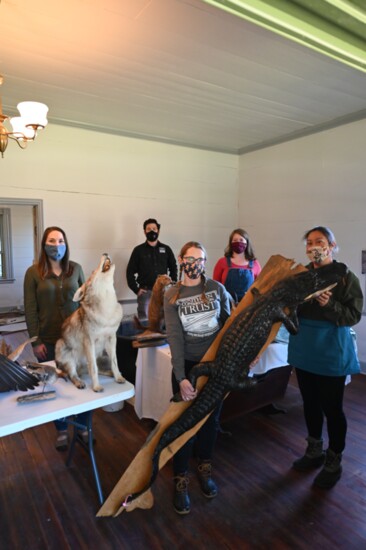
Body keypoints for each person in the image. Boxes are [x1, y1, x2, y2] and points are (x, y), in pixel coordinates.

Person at [288, 226, 363, 489]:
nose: (313, 247)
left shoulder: (344, 277)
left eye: (319, 242)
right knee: (309, 402)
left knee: (332, 408)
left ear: (331, 246)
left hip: (331, 350)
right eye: (309, 242)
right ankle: (314, 450)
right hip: (305, 348)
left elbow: (353, 315)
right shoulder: (301, 276)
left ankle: (334, 459)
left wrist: (328, 304)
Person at [164, 241, 231, 514]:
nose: (195, 263)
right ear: (181, 260)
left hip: (214, 367)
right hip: (188, 367)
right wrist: (181, 378)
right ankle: (180, 478)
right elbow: (175, 339)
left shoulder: (217, 289)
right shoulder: (172, 294)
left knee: (210, 423)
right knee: (184, 425)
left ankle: (204, 468)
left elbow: (230, 324)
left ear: (205, 261)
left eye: (200, 259)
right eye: (190, 258)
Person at [24, 226, 86, 451]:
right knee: (55, 386)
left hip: (77, 339)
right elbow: (30, 309)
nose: (57, 245)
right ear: (44, 244)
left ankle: (82, 426)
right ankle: (61, 429)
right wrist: (35, 340)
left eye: (61, 240)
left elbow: (86, 302)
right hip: (48, 340)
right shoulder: (33, 273)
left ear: (66, 243)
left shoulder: (76, 269)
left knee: (81, 382)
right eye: (52, 240)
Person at [126, 218, 177, 320]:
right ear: (144, 232)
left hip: (164, 292)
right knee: (145, 321)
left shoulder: (166, 249)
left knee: (165, 319)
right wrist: (136, 289)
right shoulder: (138, 250)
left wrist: (172, 285)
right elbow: (130, 271)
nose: (152, 231)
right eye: (148, 229)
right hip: (145, 292)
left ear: (158, 230)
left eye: (154, 228)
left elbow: (173, 267)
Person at [213, 228, 261, 304]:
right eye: (235, 240)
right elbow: (215, 287)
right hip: (226, 305)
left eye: (241, 240)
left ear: (247, 242)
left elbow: (259, 287)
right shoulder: (222, 262)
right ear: (231, 243)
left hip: (247, 306)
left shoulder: (255, 264)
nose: (238, 242)